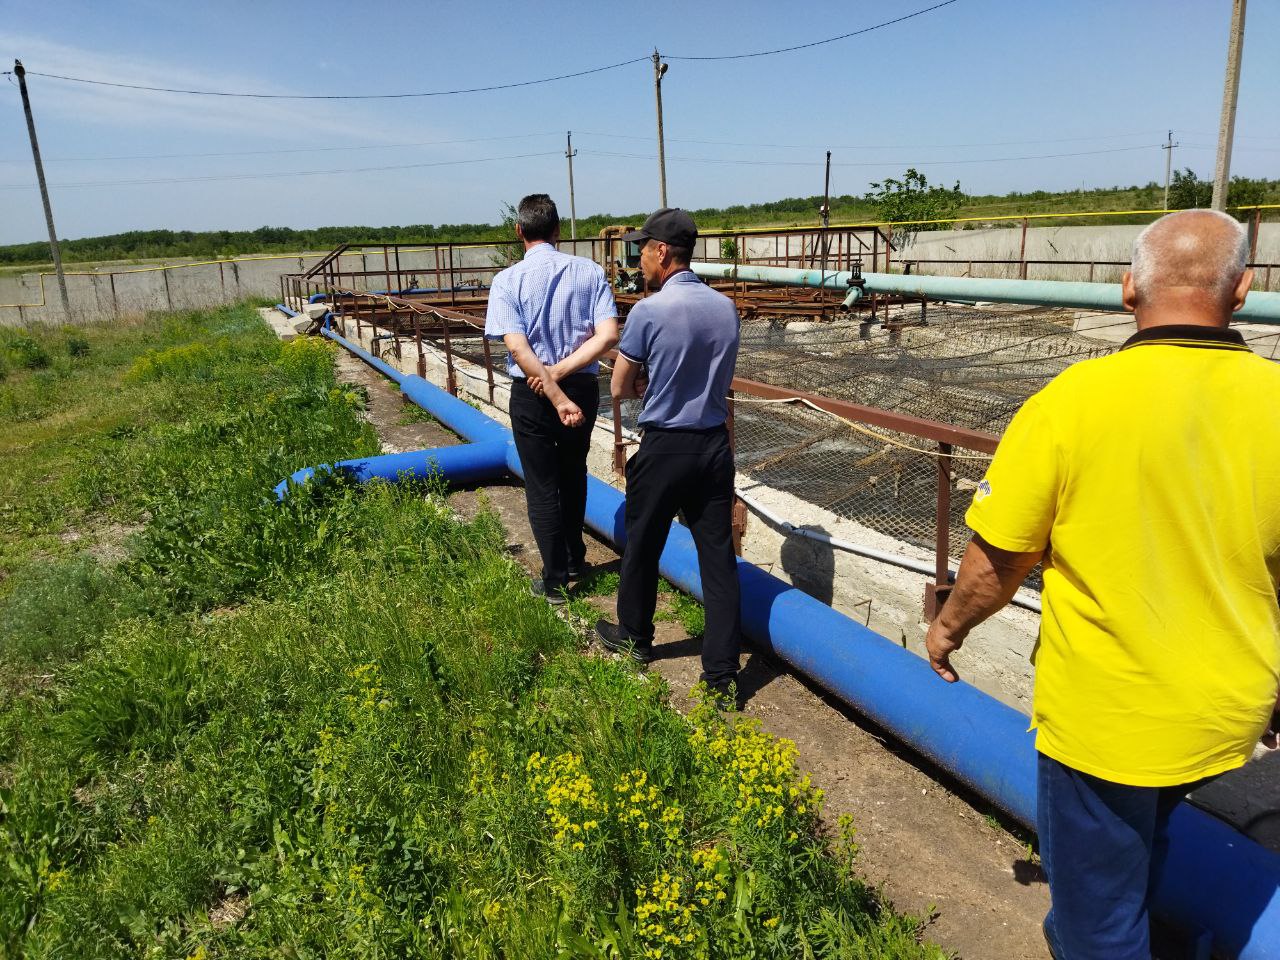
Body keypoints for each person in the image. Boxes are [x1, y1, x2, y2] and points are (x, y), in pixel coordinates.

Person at [924, 209, 1280, 959]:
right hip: (1225, 715)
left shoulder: (1071, 402)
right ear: (1243, 289)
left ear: (1126, 289)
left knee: (1095, 926)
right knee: (1143, 846)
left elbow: (998, 560)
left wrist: (948, 629)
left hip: (1108, 722)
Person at [594, 208, 743, 700]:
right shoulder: (725, 308)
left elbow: (618, 389)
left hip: (666, 446)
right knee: (718, 560)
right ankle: (722, 676)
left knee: (643, 544)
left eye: (642, 251)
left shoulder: (648, 312)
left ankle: (635, 638)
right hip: (713, 445)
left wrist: (639, 379)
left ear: (662, 252)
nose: (638, 261)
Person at [484, 194, 619, 603]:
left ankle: (556, 580)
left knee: (542, 484)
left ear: (519, 231)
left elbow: (520, 350)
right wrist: (562, 381)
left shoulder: (508, 280)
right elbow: (609, 336)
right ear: (558, 230)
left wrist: (549, 383)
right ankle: (576, 557)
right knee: (573, 472)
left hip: (532, 392)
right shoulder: (590, 272)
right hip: (580, 388)